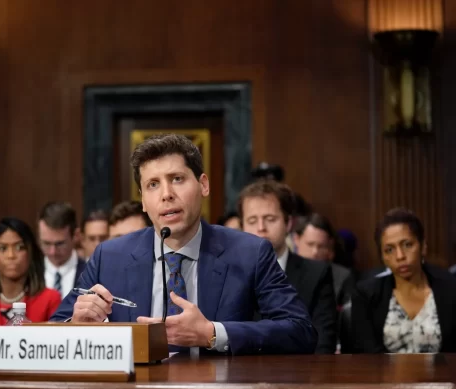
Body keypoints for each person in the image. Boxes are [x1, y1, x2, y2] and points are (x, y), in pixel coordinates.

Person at [50, 133, 317, 355]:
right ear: (143, 201)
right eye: (153, 185)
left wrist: (212, 333)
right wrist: (77, 325)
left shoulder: (249, 252)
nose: (166, 194)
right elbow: (54, 332)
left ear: (203, 185)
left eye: (177, 179)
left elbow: (301, 331)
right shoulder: (110, 257)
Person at [238, 180, 337, 354]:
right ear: (242, 227)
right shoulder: (229, 274)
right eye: (252, 221)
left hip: (302, 369)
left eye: (270, 219)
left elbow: (323, 344)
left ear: (289, 223)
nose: (261, 228)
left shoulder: (316, 274)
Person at [351, 207, 456, 353]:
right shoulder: (366, 295)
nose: (400, 256)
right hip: (381, 369)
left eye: (407, 244)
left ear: (423, 246)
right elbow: (366, 354)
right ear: (382, 257)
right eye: (389, 250)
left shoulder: (451, 289)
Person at [0, 217, 62, 331]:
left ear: (30, 254)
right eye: (3, 248)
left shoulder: (50, 299)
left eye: (19, 247)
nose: (11, 255)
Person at [37, 201, 86, 298]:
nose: (53, 252)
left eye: (59, 244)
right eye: (46, 243)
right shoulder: (28, 276)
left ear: (75, 235)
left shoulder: (90, 274)